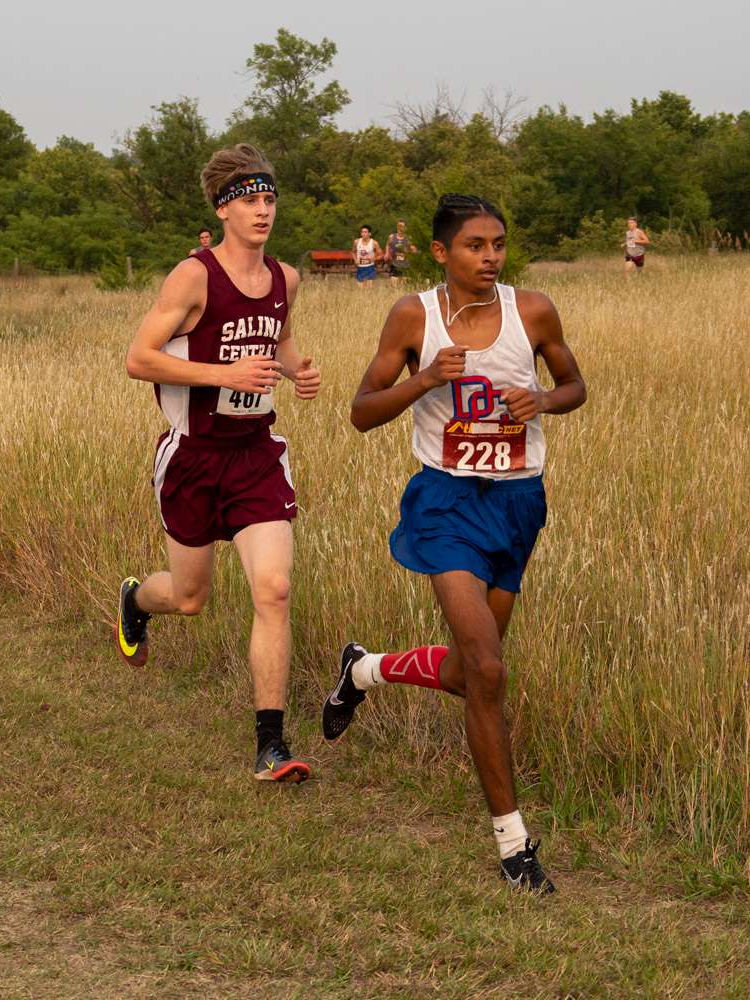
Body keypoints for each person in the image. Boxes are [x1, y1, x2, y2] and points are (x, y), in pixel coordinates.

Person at [322, 194, 586, 893]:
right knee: (490, 672)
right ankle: (513, 843)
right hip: (446, 502)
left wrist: (545, 400)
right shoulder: (416, 315)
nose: (490, 256)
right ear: (442, 253)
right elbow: (358, 413)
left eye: (498, 243)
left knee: (472, 674)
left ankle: (364, 670)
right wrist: (424, 379)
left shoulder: (534, 310)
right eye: (474, 245)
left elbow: (575, 384)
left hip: (519, 502)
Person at [115, 143, 321, 784]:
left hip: (256, 453)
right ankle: (137, 601)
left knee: (274, 589)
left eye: (269, 199)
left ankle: (271, 744)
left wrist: (296, 369)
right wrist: (222, 372)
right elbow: (139, 358)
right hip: (193, 458)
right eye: (249, 200)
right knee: (191, 595)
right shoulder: (194, 276)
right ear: (223, 209)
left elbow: (278, 337)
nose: (263, 211)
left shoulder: (286, 278)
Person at [384, 219, 418, 284]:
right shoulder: (391, 236)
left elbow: (413, 248)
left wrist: (414, 251)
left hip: (405, 265)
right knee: (394, 286)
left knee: (404, 286)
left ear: (405, 228)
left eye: (401, 226)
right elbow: (388, 245)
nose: (399, 228)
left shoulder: (409, 238)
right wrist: (387, 253)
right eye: (398, 226)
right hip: (395, 264)